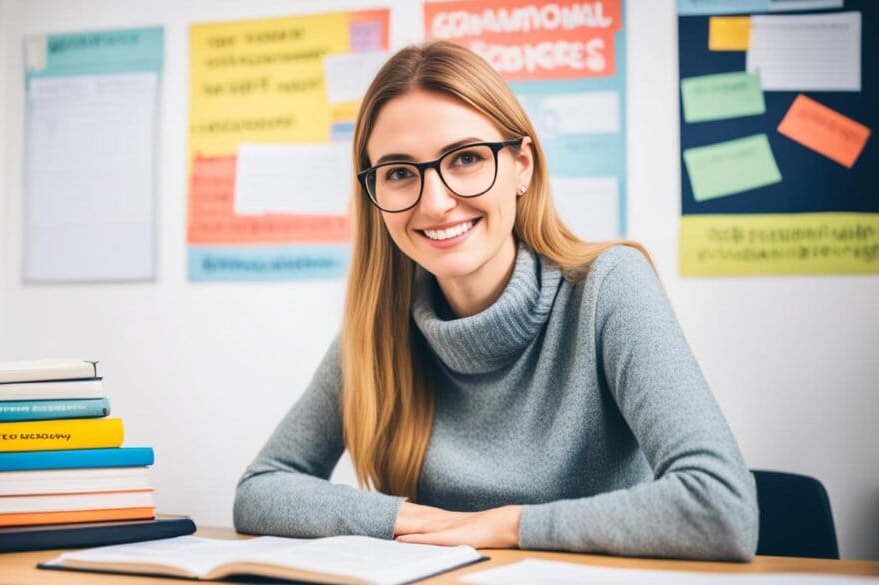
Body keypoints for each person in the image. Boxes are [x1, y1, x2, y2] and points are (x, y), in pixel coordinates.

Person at [233, 41, 758, 561]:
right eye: (398, 172)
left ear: (521, 166)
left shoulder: (608, 288)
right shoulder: (379, 326)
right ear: (375, 195)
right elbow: (260, 489)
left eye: (464, 158)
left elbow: (720, 506)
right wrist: (405, 519)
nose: (436, 203)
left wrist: (509, 525)